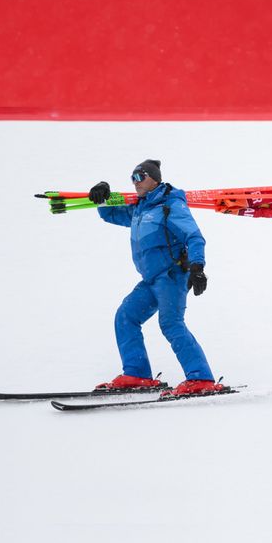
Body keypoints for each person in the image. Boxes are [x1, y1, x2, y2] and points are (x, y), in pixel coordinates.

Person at [87, 159, 224, 396]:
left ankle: (201, 378)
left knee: (171, 323)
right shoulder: (140, 208)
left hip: (171, 276)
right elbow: (111, 215)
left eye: (140, 177)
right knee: (126, 316)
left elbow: (194, 236)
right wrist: (103, 196)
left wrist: (198, 266)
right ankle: (137, 374)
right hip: (150, 279)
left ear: (154, 179)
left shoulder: (170, 205)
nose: (135, 183)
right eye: (132, 178)